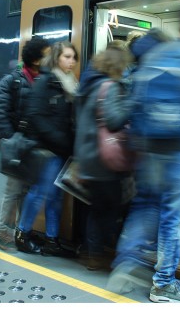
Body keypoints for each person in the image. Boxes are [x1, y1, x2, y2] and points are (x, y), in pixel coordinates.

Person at [109, 7, 180, 303]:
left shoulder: (151, 58)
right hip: (178, 151)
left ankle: (125, 263)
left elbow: (134, 101)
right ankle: (163, 283)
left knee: (145, 206)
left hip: (149, 149)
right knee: (171, 218)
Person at [73, 45, 136, 271]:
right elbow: (113, 121)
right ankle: (102, 254)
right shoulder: (109, 87)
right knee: (111, 209)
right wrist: (131, 103)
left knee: (97, 209)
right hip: (106, 160)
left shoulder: (89, 86)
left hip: (90, 157)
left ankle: (93, 254)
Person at [17, 40, 80, 257]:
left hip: (62, 151)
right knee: (39, 193)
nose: (71, 62)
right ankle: (22, 234)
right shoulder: (46, 82)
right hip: (48, 150)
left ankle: (52, 239)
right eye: (66, 57)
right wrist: (60, 140)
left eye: (73, 57)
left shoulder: (70, 84)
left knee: (55, 197)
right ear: (56, 58)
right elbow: (35, 116)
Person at [0, 36, 51, 250]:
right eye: (46, 54)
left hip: (32, 147)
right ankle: (3, 231)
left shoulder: (43, 80)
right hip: (17, 145)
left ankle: (21, 232)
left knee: (26, 191)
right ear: (35, 59)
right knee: (12, 190)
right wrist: (11, 138)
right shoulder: (12, 81)